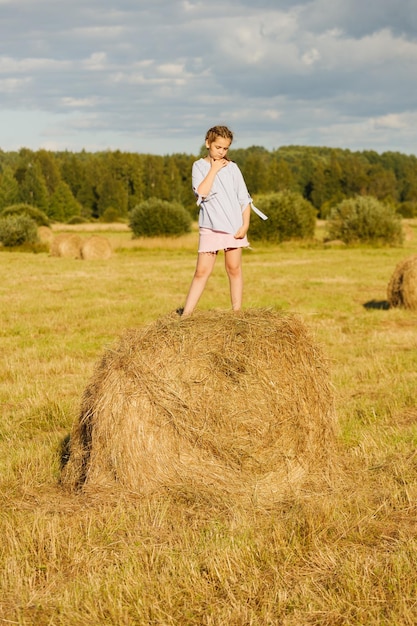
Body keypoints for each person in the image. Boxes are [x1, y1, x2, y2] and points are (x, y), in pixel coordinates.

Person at [179, 125, 252, 316]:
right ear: (207, 143)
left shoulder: (233, 168)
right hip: (210, 228)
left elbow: (244, 198)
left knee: (234, 269)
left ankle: (237, 314)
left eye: (225, 148)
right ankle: (186, 316)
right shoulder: (199, 166)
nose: (221, 152)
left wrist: (245, 225)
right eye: (218, 147)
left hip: (233, 227)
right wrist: (213, 169)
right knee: (201, 272)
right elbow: (201, 192)